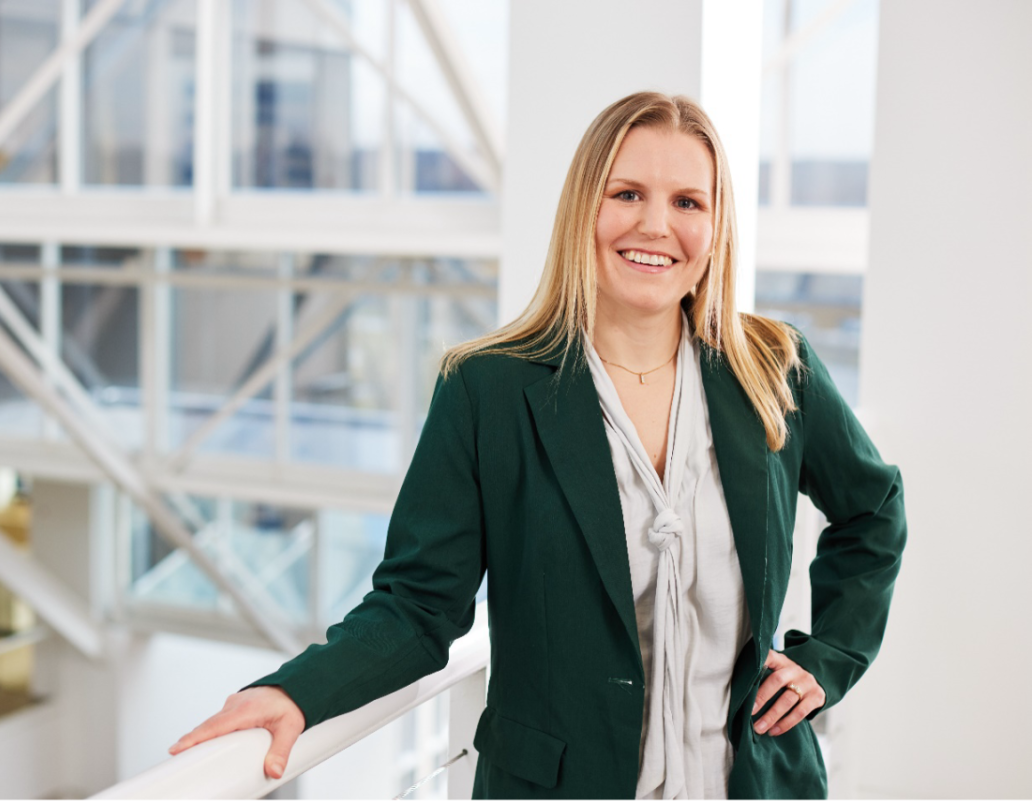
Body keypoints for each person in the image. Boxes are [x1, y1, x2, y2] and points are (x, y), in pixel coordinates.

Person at [168, 92, 906, 801]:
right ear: (584, 209)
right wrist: (298, 691)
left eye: (688, 202)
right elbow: (417, 605)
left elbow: (874, 509)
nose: (655, 225)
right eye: (626, 194)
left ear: (716, 227)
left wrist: (830, 657)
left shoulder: (774, 367)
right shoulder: (486, 390)